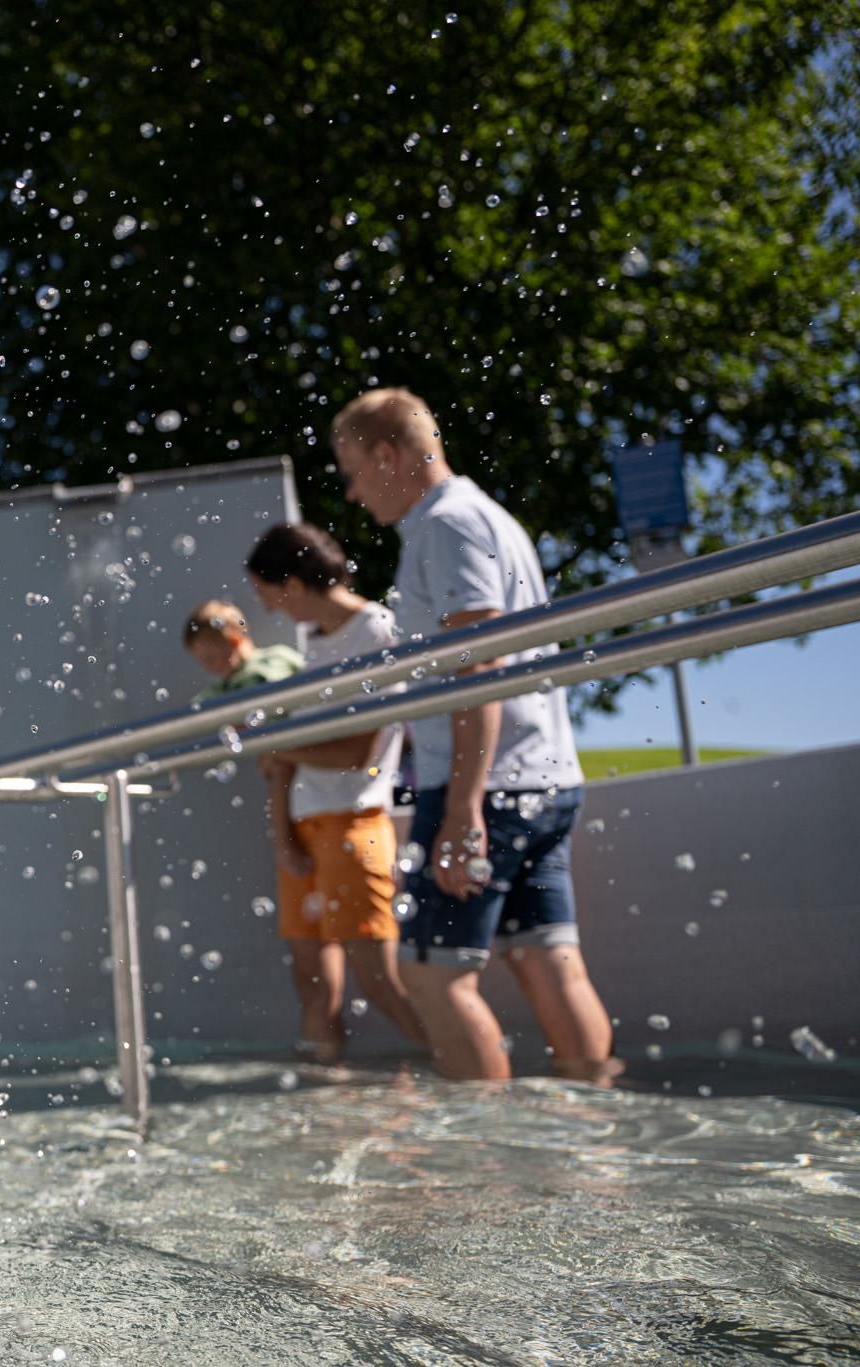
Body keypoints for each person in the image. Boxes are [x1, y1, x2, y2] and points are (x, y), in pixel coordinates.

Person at [330, 386, 614, 1083]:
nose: (354, 494)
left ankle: (483, 1180)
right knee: (547, 959)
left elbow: (478, 665)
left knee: (433, 978)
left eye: (355, 473)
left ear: (389, 453)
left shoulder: (446, 525)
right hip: (542, 776)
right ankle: (599, 1131)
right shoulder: (490, 518)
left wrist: (461, 808)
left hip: (483, 785)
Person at [244, 523, 426, 1060]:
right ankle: (327, 1102)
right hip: (304, 821)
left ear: (294, 584)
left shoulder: (377, 632)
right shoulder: (312, 647)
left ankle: (456, 1074)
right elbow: (287, 763)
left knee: (378, 980)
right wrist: (282, 835)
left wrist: (280, 745)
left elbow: (357, 755)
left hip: (355, 820)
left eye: (269, 594)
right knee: (311, 979)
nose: (272, 610)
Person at [183, 599, 304, 695]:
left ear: (234, 642)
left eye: (210, 659)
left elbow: (270, 694)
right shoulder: (222, 687)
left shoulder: (272, 661)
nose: (207, 669)